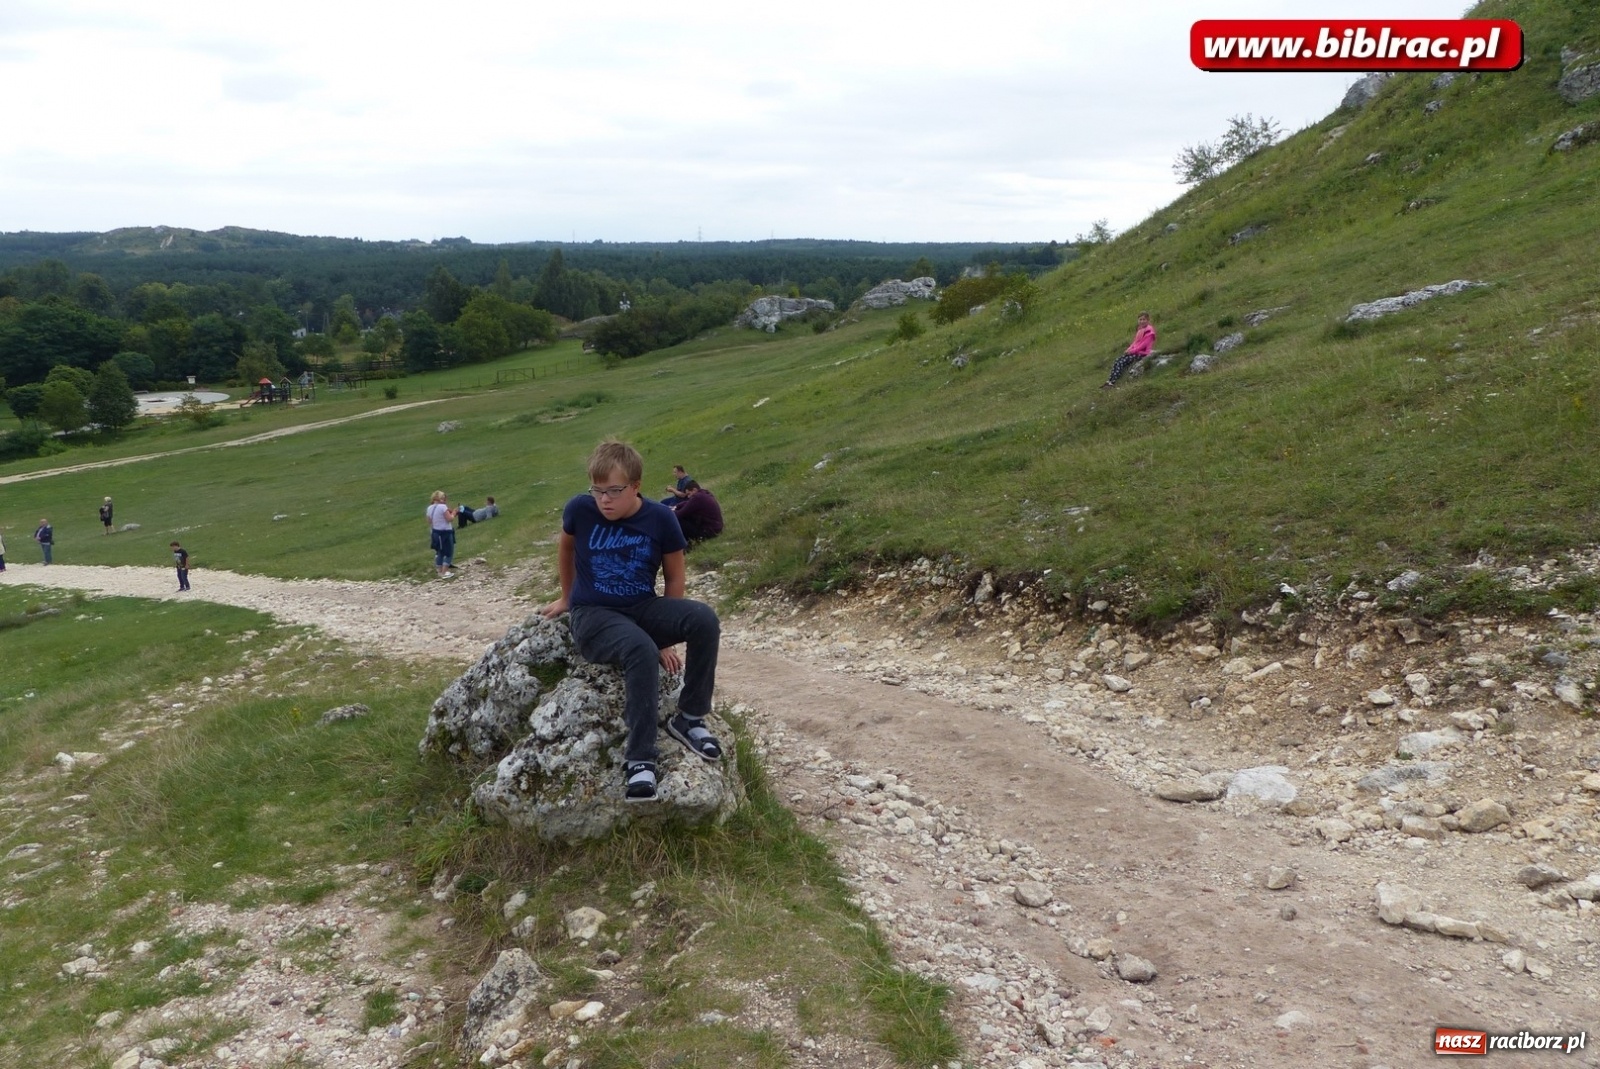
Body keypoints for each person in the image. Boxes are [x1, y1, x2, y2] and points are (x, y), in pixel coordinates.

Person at [541, 439, 722, 803]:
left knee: (703, 619)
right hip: (593, 614)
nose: (604, 500)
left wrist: (666, 637)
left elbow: (674, 578)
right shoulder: (580, 509)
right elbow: (565, 546)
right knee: (639, 647)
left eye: (614, 491)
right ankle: (640, 760)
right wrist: (566, 597)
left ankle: (689, 717)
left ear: (636, 486)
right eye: (598, 490)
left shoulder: (660, 519)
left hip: (642, 606)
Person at [1102, 311, 1157, 388]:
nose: (1142, 321)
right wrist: (1129, 349)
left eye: (1144, 319)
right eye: (1140, 319)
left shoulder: (1149, 332)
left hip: (1142, 353)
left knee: (1121, 362)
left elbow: (1143, 345)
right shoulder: (1140, 330)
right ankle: (1109, 380)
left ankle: (1113, 382)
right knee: (1117, 360)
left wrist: (1132, 351)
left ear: (1148, 320)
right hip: (1135, 352)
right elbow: (1135, 342)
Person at [671, 481, 723, 545]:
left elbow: (680, 513)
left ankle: (685, 544)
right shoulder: (704, 493)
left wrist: (670, 512)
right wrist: (676, 506)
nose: (688, 497)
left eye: (689, 494)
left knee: (680, 520)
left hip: (709, 531)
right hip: (716, 528)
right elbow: (687, 503)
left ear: (694, 490)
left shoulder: (697, 497)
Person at [425, 491, 457, 578]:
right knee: (449, 552)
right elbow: (449, 519)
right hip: (445, 532)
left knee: (440, 552)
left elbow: (429, 521)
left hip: (435, 532)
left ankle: (439, 571)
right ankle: (445, 571)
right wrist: (454, 513)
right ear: (440, 499)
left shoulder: (429, 508)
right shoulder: (442, 507)